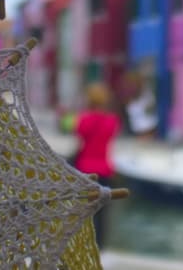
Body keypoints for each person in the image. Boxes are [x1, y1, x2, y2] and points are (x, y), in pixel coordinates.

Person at [73, 82, 120, 248]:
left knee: (85, 212)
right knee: (102, 214)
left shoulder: (84, 119)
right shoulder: (112, 121)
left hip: (85, 170)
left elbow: (79, 134)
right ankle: (100, 247)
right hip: (105, 170)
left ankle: (83, 245)